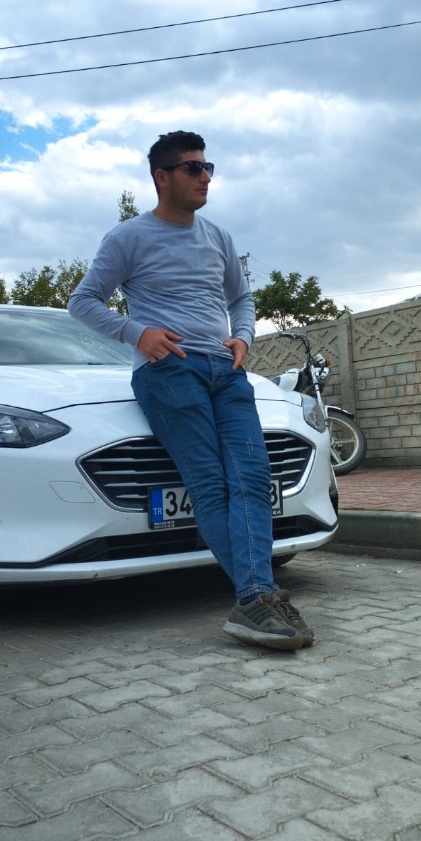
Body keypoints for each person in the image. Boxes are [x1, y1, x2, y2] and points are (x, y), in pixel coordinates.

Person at [68, 130, 314, 650]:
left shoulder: (218, 237)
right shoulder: (128, 237)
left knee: (252, 477)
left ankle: (255, 598)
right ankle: (258, 598)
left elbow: (241, 298)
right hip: (170, 371)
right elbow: (83, 301)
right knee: (209, 484)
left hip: (226, 371)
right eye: (193, 168)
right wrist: (138, 333)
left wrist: (243, 337)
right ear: (162, 177)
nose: (205, 177)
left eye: (208, 167)